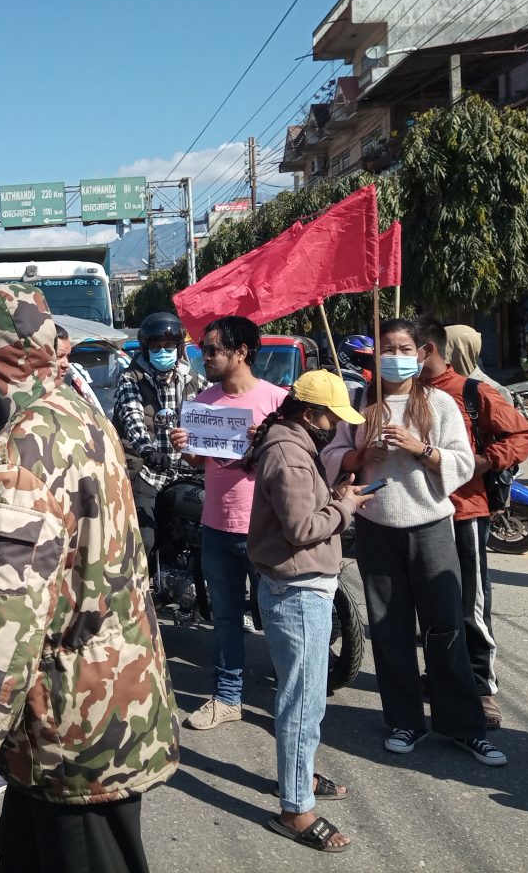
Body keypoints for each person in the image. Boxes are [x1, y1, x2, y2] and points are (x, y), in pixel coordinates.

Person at [0, 283, 179, 870]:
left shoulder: (23, 450)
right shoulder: (78, 412)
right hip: (111, 698)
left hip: (69, 730)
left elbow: (4, 623)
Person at [323, 319, 505, 766]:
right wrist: (361, 455)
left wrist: (419, 447)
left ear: (422, 353)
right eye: (387, 348)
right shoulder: (359, 402)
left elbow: (463, 462)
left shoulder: (439, 403)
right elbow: (329, 455)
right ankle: (404, 721)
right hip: (376, 529)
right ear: (375, 354)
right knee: (390, 630)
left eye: (405, 348)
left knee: (446, 628)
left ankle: (464, 726)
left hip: (431, 527)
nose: (396, 356)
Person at [246, 371, 371, 854]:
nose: (334, 426)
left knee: (308, 699)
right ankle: (295, 808)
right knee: (302, 703)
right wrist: (345, 508)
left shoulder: (295, 444)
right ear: (308, 413)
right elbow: (301, 529)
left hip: (303, 585)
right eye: (330, 418)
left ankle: (299, 776)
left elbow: (302, 510)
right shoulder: (288, 452)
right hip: (297, 590)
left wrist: (337, 495)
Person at [167, 316, 286, 731]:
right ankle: (227, 697)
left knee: (279, 620)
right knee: (226, 619)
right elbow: (199, 459)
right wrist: (184, 447)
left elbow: (298, 460)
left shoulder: (277, 401)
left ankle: (289, 701)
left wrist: (265, 442)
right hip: (217, 524)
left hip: (265, 527)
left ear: (241, 352)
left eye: (213, 350)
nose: (205, 357)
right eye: (203, 349)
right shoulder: (203, 402)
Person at [419, 322, 528, 730]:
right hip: (419, 513)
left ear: (426, 349)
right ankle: (440, 675)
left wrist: (485, 462)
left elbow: (523, 432)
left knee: (470, 603)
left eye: (403, 348)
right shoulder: (403, 393)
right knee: (431, 604)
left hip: (463, 511)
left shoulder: (472, 391)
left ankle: (482, 688)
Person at [113, 311, 206, 553]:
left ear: (179, 348)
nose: (163, 352)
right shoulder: (131, 379)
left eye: (169, 346)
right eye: (156, 347)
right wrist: (147, 450)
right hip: (149, 472)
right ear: (146, 350)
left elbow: (216, 408)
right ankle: (146, 576)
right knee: (145, 541)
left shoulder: (193, 379)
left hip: (188, 471)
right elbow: (132, 417)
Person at [53, 324, 104, 414]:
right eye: (59, 356)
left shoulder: (72, 392)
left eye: (67, 356)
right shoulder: (31, 398)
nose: (66, 364)